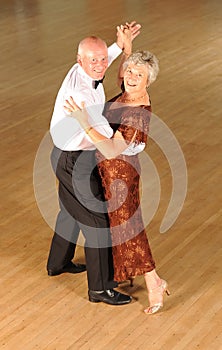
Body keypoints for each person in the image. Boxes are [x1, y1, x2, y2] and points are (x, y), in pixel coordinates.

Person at [65, 46, 170, 314]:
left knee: (130, 229)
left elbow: (112, 149)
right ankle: (127, 272)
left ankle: (154, 281)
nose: (132, 76)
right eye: (131, 71)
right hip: (109, 171)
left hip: (120, 177)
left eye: (139, 74)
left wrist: (83, 122)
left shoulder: (137, 113)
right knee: (119, 227)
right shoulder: (128, 93)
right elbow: (123, 76)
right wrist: (127, 51)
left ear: (149, 80)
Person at [47, 22, 141, 305]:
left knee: (70, 210)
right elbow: (107, 142)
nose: (101, 65)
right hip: (72, 161)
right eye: (94, 60)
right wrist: (135, 144)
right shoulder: (83, 96)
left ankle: (57, 262)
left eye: (103, 59)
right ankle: (100, 289)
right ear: (80, 61)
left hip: (71, 154)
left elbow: (106, 57)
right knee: (98, 220)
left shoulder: (86, 66)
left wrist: (122, 44)